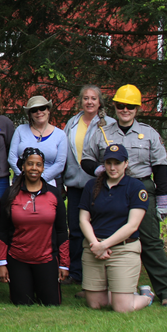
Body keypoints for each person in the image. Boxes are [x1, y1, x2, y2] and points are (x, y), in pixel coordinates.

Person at [83, 84, 167, 306]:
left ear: (137, 109)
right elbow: (86, 159)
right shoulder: (102, 131)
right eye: (121, 105)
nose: (125, 110)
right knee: (107, 235)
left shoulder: (149, 134)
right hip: (110, 188)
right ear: (114, 106)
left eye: (130, 106)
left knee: (151, 240)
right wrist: (101, 171)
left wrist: (162, 199)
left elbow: (160, 167)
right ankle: (104, 288)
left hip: (141, 188)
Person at [78, 142, 155, 312]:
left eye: (117, 163)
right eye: (108, 163)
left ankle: (146, 296)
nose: (113, 168)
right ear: (103, 164)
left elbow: (132, 225)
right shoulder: (92, 186)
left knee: (122, 308)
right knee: (96, 304)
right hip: (94, 248)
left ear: (126, 164)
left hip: (123, 249)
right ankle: (120, 292)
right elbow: (83, 219)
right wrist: (96, 245)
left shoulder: (136, 187)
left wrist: (104, 245)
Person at [0, 146, 68, 305]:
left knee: (50, 304)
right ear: (22, 166)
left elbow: (62, 231)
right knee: (22, 302)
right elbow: (1, 230)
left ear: (43, 167)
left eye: (38, 164)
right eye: (30, 164)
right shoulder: (11, 193)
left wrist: (64, 264)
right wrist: (1, 263)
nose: (34, 168)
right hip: (18, 259)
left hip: (47, 258)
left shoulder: (54, 194)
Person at [62, 85, 118, 283]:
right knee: (76, 229)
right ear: (81, 101)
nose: (89, 102)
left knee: (99, 228)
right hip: (76, 184)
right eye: (85, 98)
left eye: (93, 98)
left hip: (100, 184)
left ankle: (103, 272)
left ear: (99, 101)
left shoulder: (109, 124)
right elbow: (65, 153)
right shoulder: (72, 123)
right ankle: (77, 272)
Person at [9, 95, 67, 189]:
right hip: (21, 183)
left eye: (42, 108)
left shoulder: (60, 135)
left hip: (49, 184)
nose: (38, 112)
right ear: (30, 114)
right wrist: (25, 177)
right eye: (34, 110)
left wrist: (40, 179)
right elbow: (12, 157)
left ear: (48, 111)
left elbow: (60, 164)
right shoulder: (20, 130)